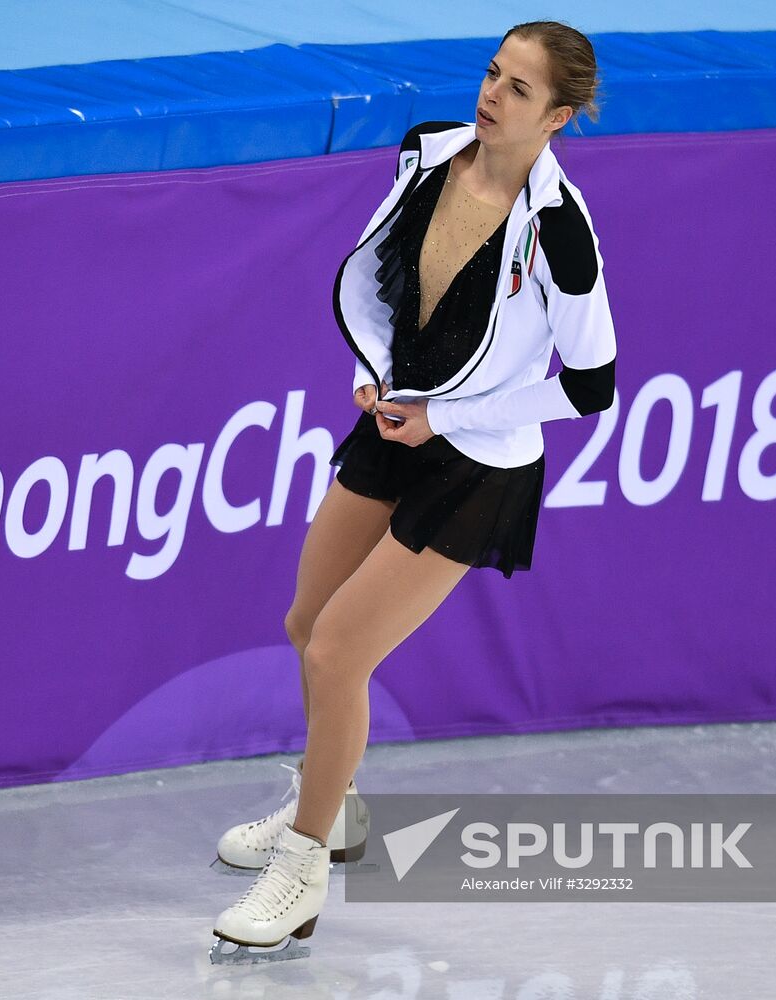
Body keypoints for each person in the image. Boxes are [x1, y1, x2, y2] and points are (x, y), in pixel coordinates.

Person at [209, 20, 618, 966]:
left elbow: (591, 384)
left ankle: (304, 874)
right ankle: (334, 799)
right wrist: (376, 371)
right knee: (308, 623)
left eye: (520, 90)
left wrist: (453, 420)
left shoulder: (561, 233)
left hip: (479, 465)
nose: (492, 95)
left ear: (557, 118)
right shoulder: (427, 151)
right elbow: (391, 285)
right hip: (400, 422)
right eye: (492, 72)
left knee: (341, 652)